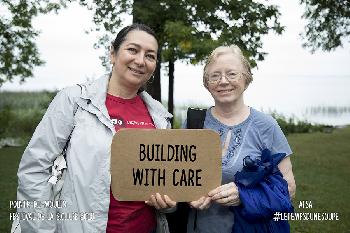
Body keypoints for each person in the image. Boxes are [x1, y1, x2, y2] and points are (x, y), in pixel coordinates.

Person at [15, 23, 176, 233]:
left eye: (150, 55)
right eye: (133, 50)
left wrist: (169, 203)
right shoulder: (74, 100)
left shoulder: (160, 117)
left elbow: (167, 185)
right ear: (113, 53)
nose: (140, 61)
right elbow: (34, 170)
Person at [185, 45, 296, 233]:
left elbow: (289, 189)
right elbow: (180, 176)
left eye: (232, 74)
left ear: (246, 78)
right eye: (215, 75)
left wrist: (244, 195)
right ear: (206, 83)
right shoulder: (194, 122)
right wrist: (189, 195)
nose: (223, 81)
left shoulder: (267, 126)